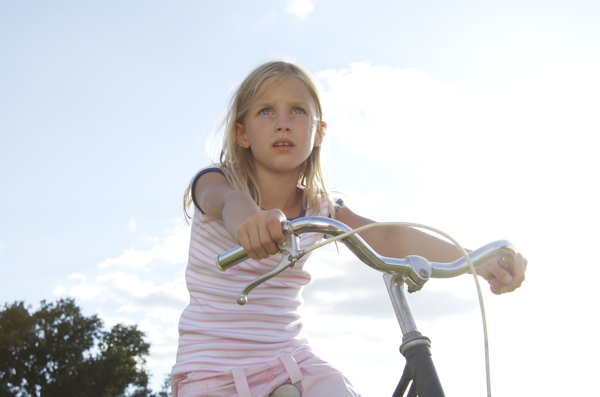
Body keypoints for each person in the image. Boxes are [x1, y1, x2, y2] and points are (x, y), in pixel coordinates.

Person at [171, 61, 527, 397]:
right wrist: (248, 218)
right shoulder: (217, 181)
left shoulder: (321, 207)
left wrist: (475, 260)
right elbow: (223, 200)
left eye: (298, 111)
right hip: (211, 369)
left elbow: (387, 236)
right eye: (266, 111)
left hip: (290, 361)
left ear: (319, 131)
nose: (283, 123)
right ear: (242, 133)